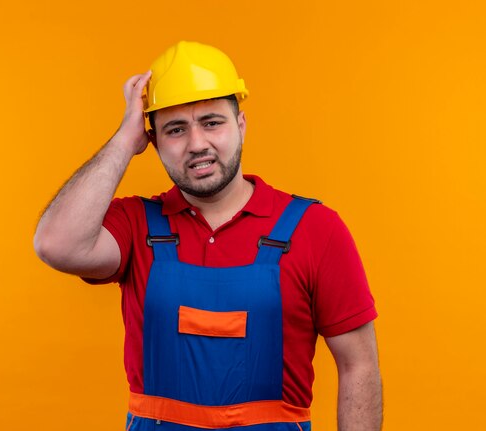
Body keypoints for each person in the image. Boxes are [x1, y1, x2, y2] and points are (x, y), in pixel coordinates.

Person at [34, 41, 382, 431]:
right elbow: (56, 244)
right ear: (152, 141)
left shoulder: (315, 229)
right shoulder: (135, 225)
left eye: (212, 122)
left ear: (242, 125)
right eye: (175, 129)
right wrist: (122, 140)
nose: (197, 143)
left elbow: (358, 366)